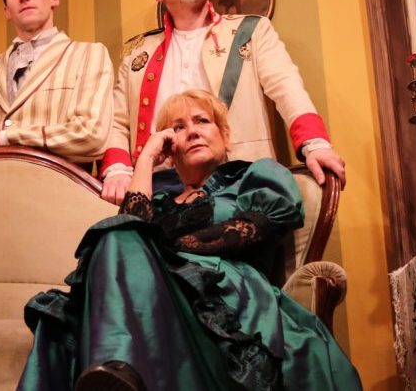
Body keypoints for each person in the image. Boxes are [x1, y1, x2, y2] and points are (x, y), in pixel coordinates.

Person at [18, 89, 361, 391]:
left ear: (225, 137)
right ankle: (116, 374)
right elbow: (127, 234)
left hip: (223, 299)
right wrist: (146, 159)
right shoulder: (160, 203)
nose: (193, 131)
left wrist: (159, 249)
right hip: (159, 303)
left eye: (202, 121)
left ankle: (118, 370)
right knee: (114, 237)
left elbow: (250, 231)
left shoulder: (255, 175)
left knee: (124, 235)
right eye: (179, 128)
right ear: (170, 148)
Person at [101, 0, 346, 204]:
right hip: (157, 188)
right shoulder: (138, 52)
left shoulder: (252, 31)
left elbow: (287, 88)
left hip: (239, 181)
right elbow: (117, 121)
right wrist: (118, 170)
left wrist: (315, 144)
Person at [0, 0, 113, 164]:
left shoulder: (89, 54)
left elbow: (92, 134)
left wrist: (9, 139)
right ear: (7, 11)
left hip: (57, 180)